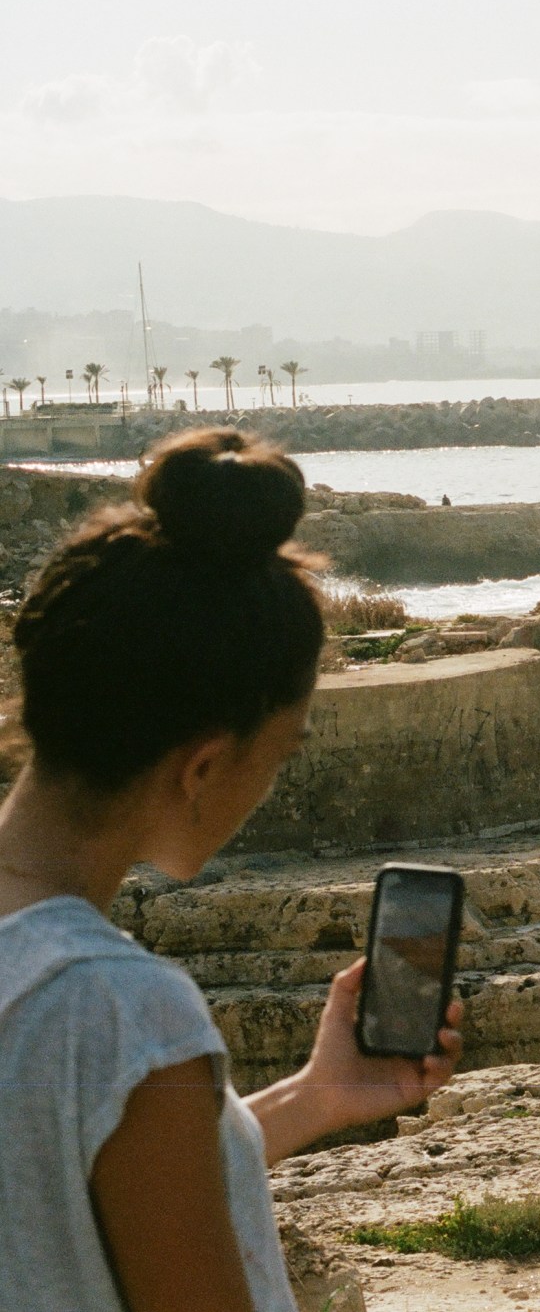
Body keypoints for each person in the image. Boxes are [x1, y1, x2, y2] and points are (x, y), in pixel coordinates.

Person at [0, 428, 465, 1312]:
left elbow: (55, 1199)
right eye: (279, 753)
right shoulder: (115, 1009)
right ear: (204, 765)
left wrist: (312, 1096)